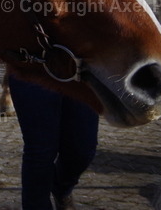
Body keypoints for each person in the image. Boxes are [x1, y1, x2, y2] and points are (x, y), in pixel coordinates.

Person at [8, 72, 99, 210]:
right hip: (31, 68)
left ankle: (61, 188)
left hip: (81, 73)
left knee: (83, 149)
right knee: (40, 150)